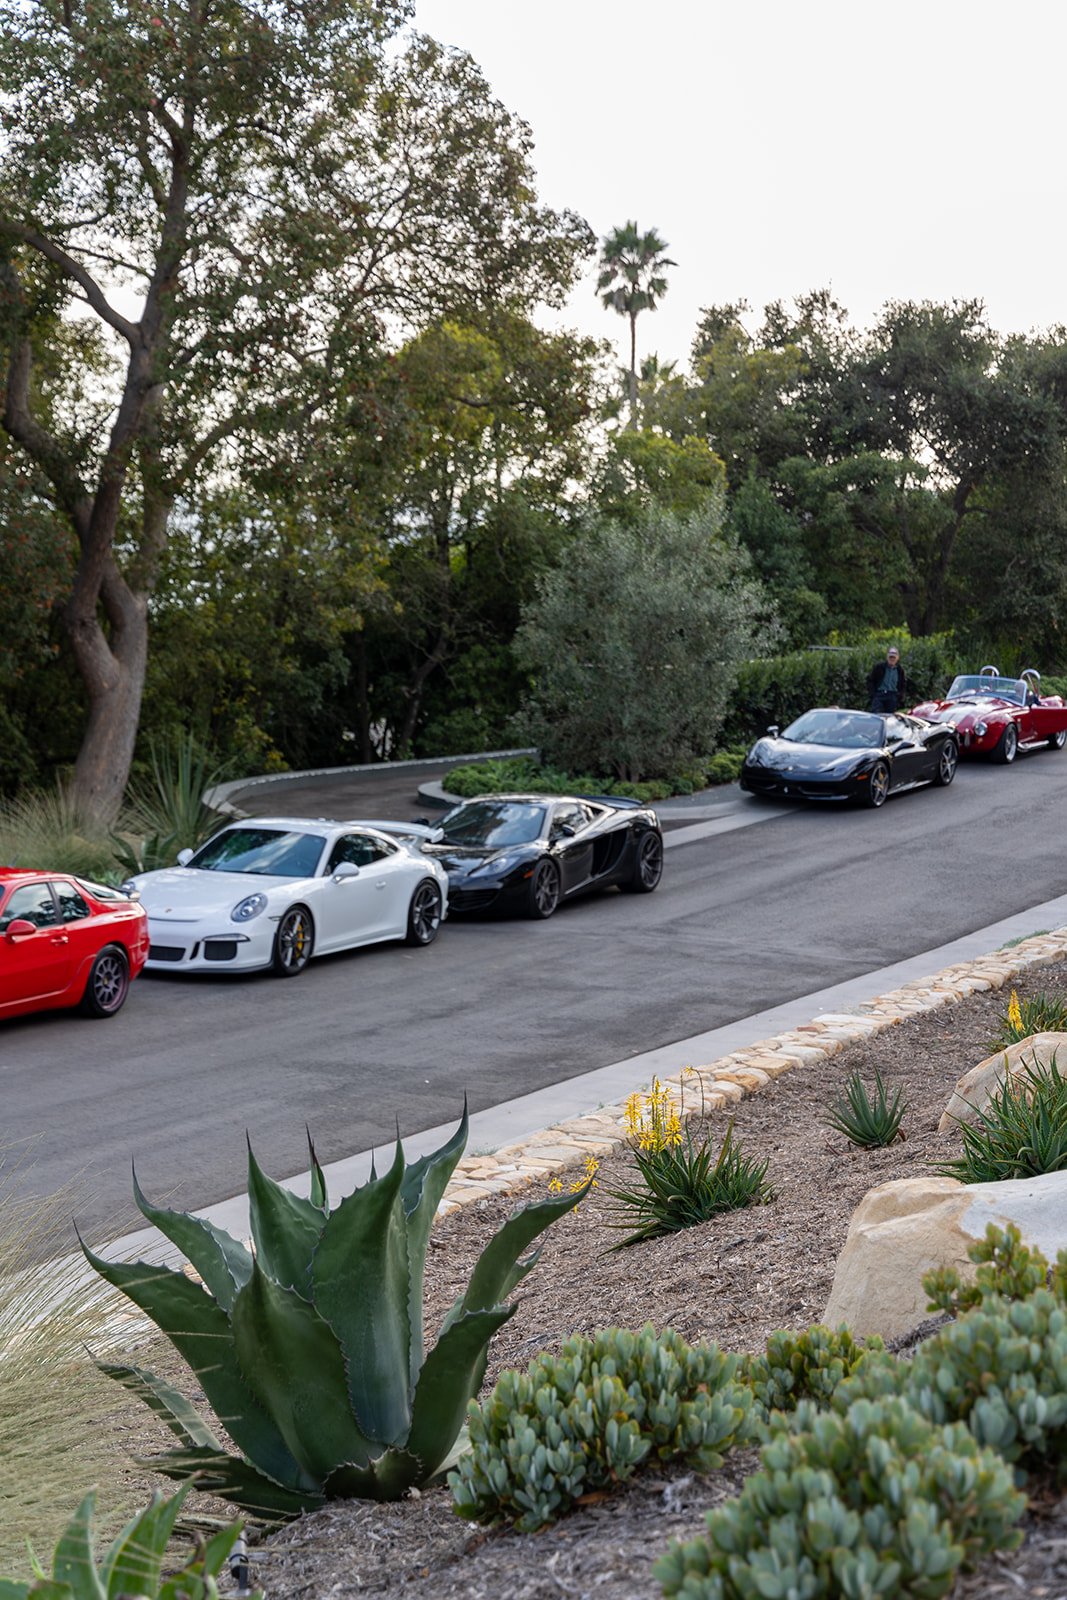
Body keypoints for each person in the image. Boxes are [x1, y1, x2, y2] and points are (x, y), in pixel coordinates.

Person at [867, 645, 907, 713]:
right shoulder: (879, 667)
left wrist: (899, 696)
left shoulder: (900, 670)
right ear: (887, 657)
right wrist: (873, 694)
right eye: (890, 657)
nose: (892, 659)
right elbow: (871, 680)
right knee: (876, 714)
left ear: (897, 658)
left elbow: (902, 684)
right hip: (879, 695)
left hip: (892, 696)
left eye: (894, 657)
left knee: (890, 717)